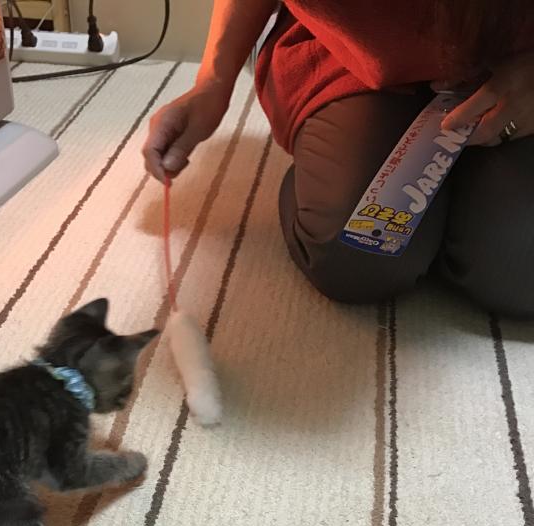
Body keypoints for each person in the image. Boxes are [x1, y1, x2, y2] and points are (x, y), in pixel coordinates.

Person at [142, 1, 534, 316]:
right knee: (358, 256)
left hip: (517, 53)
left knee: (517, 270)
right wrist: (212, 82)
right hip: (355, 50)